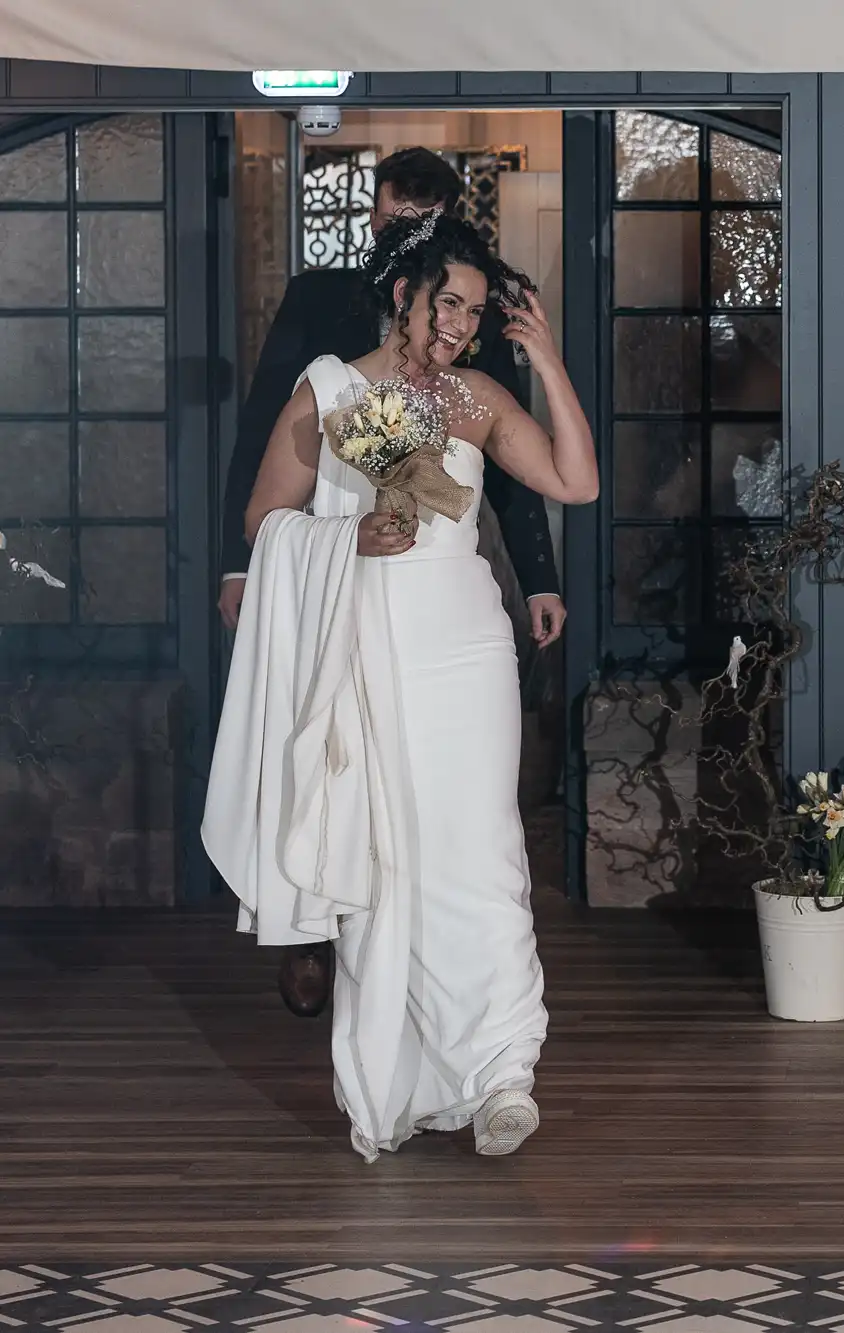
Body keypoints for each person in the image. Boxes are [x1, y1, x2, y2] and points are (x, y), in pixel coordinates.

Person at [202, 211, 598, 1160]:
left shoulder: (475, 399)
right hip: (368, 646)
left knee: (486, 852)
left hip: (465, 647)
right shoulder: (331, 391)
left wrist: (542, 361)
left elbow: (573, 482)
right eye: (445, 305)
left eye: (473, 311)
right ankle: (409, 1076)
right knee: (387, 862)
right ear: (402, 298)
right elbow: (265, 518)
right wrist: (349, 537)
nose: (458, 326)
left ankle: (504, 1071)